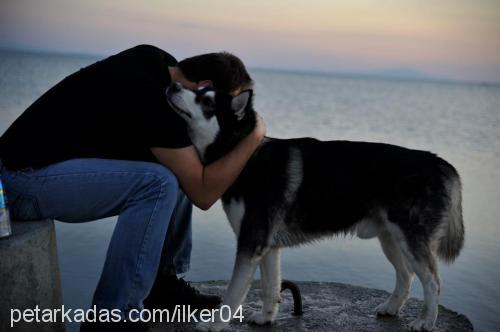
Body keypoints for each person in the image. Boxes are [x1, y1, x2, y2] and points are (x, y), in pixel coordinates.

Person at [0, 44, 266, 330]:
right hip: (18, 183)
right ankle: (114, 315)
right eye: (229, 107)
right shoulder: (154, 103)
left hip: (26, 168)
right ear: (205, 87)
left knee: (178, 163)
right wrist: (253, 136)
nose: (230, 117)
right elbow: (203, 194)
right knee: (158, 183)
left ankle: (162, 286)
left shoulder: (155, 61)